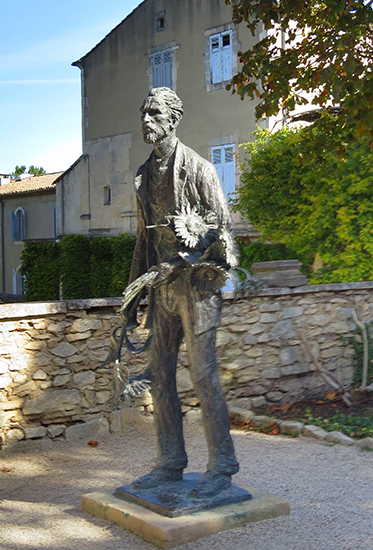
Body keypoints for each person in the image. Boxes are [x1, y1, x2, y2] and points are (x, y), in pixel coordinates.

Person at [125, 87, 239, 499]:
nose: (146, 120)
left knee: (205, 376)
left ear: (173, 119)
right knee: (160, 376)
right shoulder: (142, 175)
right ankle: (170, 463)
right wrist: (133, 292)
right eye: (144, 112)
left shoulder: (200, 169)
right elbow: (143, 238)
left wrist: (180, 263)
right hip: (161, 293)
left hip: (198, 288)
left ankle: (222, 468)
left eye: (154, 113)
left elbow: (222, 231)